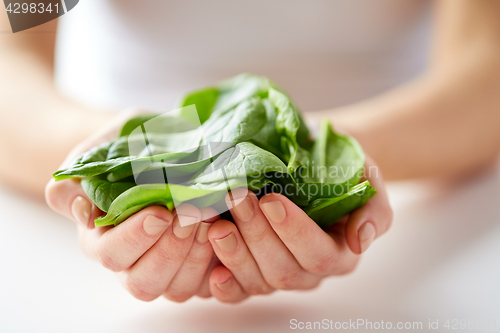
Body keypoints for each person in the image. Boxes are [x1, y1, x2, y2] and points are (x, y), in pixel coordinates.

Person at [1, 0, 499, 303]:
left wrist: (328, 158)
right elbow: (10, 51)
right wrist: (118, 152)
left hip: (425, 195)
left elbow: (487, 67)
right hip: (75, 221)